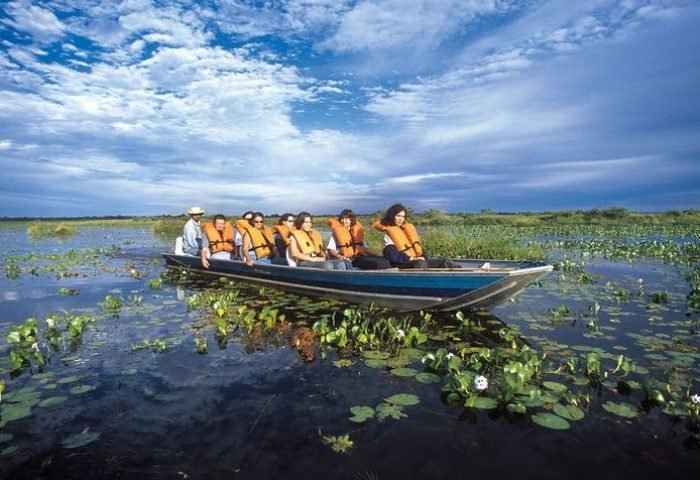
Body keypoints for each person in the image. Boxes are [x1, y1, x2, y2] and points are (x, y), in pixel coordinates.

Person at [374, 203, 459, 269]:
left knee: (445, 262)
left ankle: (466, 278)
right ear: (392, 216)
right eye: (398, 216)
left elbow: (418, 249)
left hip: (416, 260)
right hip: (401, 264)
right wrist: (410, 259)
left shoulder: (406, 230)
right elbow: (391, 254)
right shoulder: (389, 233)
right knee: (420, 263)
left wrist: (422, 256)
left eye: (403, 216)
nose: (401, 219)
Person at [326, 209, 391, 270]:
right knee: (378, 263)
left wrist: (377, 255)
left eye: (346, 219)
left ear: (351, 220)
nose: (343, 221)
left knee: (384, 260)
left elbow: (364, 248)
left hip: (359, 257)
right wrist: (338, 255)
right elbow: (331, 249)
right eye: (342, 219)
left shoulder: (356, 232)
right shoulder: (336, 233)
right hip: (348, 260)